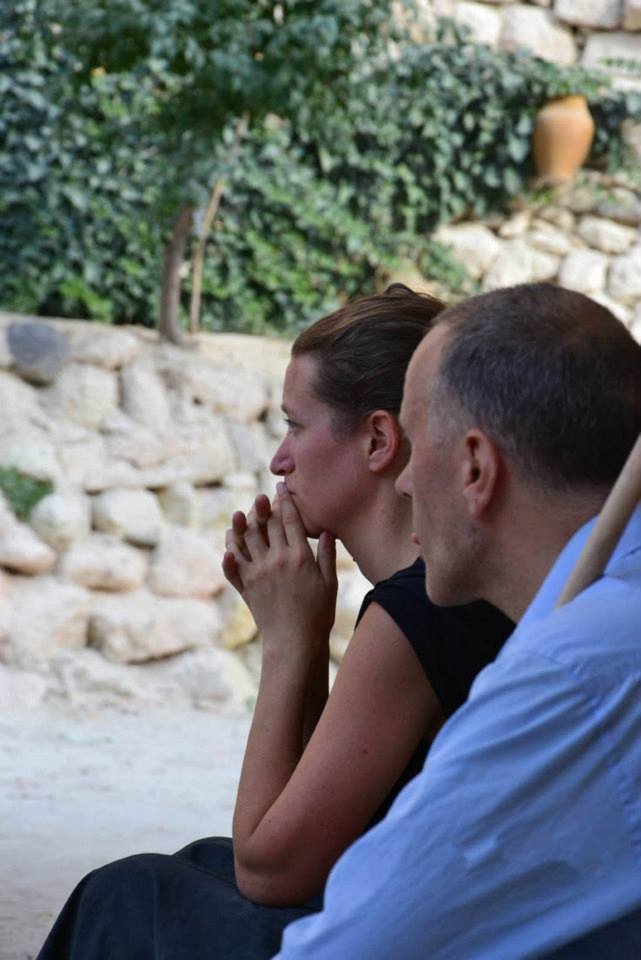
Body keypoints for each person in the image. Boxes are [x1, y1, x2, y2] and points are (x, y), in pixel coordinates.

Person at [36, 285, 514, 960]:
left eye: (296, 426)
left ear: (379, 439)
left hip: (432, 939)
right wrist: (309, 636)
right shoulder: (440, 593)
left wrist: (288, 643)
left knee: (130, 893)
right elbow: (320, 821)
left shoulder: (416, 614)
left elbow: (272, 870)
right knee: (196, 863)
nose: (278, 461)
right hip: (435, 918)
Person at [273, 281, 641, 959]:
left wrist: (286, 644)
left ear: (475, 468)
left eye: (416, 446)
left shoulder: (568, 671)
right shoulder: (597, 617)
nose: (405, 482)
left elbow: (338, 940)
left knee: (133, 898)